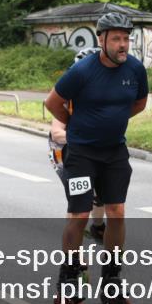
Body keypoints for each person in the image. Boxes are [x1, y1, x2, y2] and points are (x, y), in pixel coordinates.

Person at [44, 12, 149, 304]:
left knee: (116, 212)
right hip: (81, 154)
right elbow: (52, 101)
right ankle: (68, 284)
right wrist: (75, 124)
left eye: (126, 38)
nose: (122, 44)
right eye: (116, 38)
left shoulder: (135, 69)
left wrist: (112, 121)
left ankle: (111, 282)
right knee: (79, 215)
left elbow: (139, 102)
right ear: (101, 39)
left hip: (115, 152)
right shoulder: (83, 70)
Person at [49, 47, 106, 240]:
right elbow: (57, 133)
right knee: (80, 200)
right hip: (65, 152)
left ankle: (98, 226)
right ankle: (73, 253)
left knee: (102, 191)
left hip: (94, 151)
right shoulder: (68, 97)